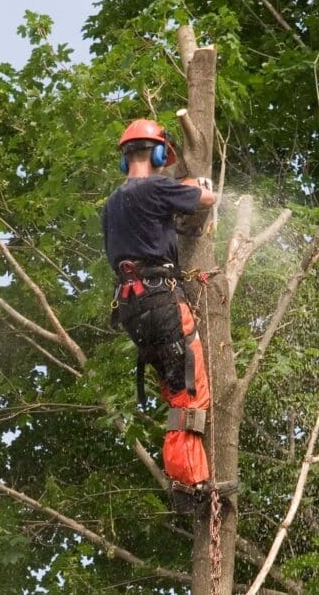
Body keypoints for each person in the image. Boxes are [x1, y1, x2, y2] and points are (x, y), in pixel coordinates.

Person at [101, 118, 234, 513]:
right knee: (190, 392)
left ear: (126, 160)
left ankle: (185, 477)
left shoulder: (112, 204)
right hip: (160, 299)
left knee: (175, 387)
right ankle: (192, 485)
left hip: (130, 307)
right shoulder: (158, 187)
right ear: (159, 154)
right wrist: (197, 186)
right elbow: (206, 200)